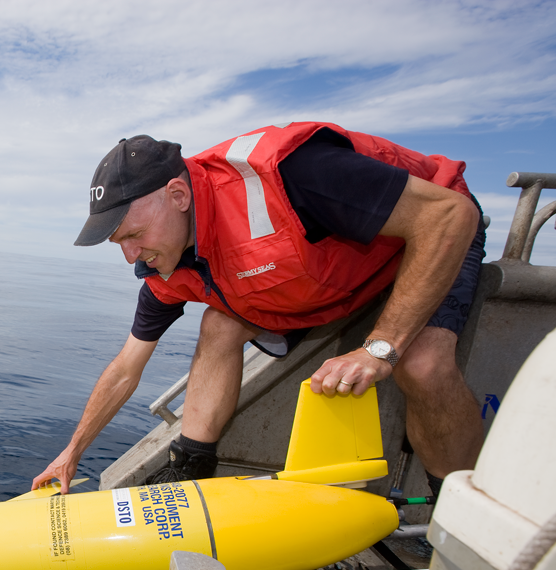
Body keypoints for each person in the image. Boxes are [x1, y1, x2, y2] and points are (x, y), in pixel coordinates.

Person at [32, 122, 485, 495]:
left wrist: (378, 348)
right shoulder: (165, 269)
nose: (131, 256)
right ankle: (190, 470)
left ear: (177, 195)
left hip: (434, 229)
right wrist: (72, 452)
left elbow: (447, 216)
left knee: (422, 364)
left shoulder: (288, 174)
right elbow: (126, 368)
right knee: (220, 322)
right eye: (118, 244)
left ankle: (459, 512)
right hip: (334, 277)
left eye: (133, 235)